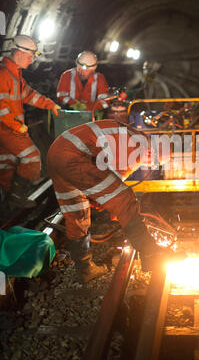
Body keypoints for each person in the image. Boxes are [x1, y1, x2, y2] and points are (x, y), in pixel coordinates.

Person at [47, 119, 184, 282]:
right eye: (155, 161)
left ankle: (85, 269)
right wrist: (116, 209)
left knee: (76, 213)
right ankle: (152, 254)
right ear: (153, 151)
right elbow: (116, 191)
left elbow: (105, 182)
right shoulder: (137, 147)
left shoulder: (131, 136)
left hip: (55, 154)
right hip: (74, 156)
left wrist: (100, 199)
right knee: (125, 198)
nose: (150, 164)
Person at [0, 34, 61, 208]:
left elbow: (29, 95)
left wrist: (51, 105)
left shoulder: (15, 75)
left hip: (10, 127)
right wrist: (16, 126)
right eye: (29, 56)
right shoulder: (3, 75)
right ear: (18, 53)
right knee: (32, 156)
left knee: (6, 162)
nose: (31, 60)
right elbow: (1, 108)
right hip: (7, 128)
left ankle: (7, 201)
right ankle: (16, 197)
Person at [56, 51, 110, 117]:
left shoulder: (100, 78)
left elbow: (105, 102)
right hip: (69, 115)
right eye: (80, 69)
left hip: (90, 117)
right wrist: (74, 104)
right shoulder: (67, 75)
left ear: (93, 69)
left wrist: (86, 106)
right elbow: (61, 96)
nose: (82, 72)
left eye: (87, 70)